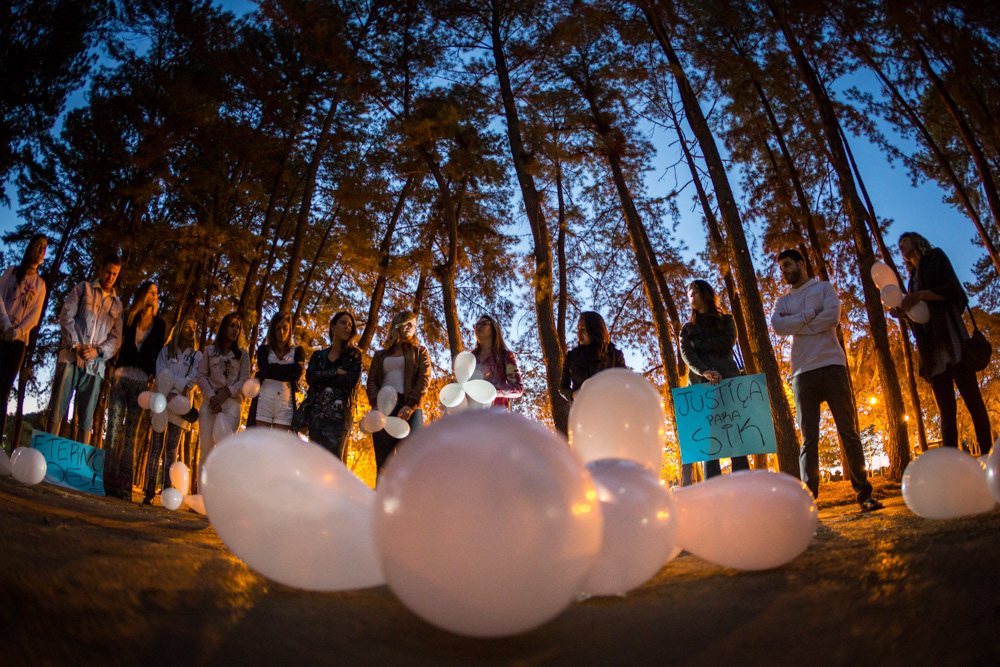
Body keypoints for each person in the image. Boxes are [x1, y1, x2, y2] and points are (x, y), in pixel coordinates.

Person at [770, 249, 883, 512]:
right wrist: (810, 316)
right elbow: (778, 326)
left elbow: (832, 317)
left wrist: (797, 325)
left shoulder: (824, 288)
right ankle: (808, 501)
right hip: (801, 372)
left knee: (849, 433)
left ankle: (864, 495)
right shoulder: (782, 302)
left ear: (801, 263)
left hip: (832, 365)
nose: (784, 271)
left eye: (787, 265)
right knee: (809, 440)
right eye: (781, 268)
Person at [895, 232, 992, 455]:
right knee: (946, 412)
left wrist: (922, 295)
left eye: (904, 241)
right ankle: (951, 467)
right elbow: (921, 317)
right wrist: (904, 313)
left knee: (974, 402)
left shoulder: (936, 257)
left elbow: (955, 291)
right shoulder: (912, 280)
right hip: (933, 351)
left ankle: (988, 457)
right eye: (899, 245)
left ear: (917, 241)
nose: (901, 246)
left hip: (953, 339)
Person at [47, 252, 123, 446]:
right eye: (108, 272)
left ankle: (79, 466)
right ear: (101, 269)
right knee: (57, 408)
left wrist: (97, 353)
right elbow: (66, 315)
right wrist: (76, 346)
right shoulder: (83, 288)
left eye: (115, 274)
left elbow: (115, 339)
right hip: (71, 357)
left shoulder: (118, 305)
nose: (110, 277)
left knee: (86, 417)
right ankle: (46, 455)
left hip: (95, 366)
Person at [103, 281, 167, 501]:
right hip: (121, 378)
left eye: (157, 293)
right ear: (142, 295)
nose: (155, 295)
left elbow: (158, 354)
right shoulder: (128, 317)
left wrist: (152, 375)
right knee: (112, 430)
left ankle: (123, 488)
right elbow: (118, 343)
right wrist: (112, 368)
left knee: (131, 435)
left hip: (141, 384)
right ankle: (106, 483)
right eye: (151, 292)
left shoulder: (160, 325)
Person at [680, 279, 750, 480]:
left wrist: (699, 345)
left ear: (705, 294)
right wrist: (705, 371)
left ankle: (744, 493)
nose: (690, 296)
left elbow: (728, 341)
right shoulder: (687, 329)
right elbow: (687, 354)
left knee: (737, 441)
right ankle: (714, 499)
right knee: (708, 447)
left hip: (729, 385)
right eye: (688, 293)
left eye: (694, 292)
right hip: (701, 389)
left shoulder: (727, 320)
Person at [141, 317, 202, 505]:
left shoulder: (197, 356)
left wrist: (174, 392)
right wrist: (167, 390)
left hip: (180, 404)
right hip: (161, 401)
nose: (191, 330)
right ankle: (150, 488)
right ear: (179, 330)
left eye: (194, 327)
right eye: (187, 326)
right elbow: (161, 373)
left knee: (171, 449)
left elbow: (192, 380)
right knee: (155, 445)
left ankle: (167, 489)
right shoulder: (166, 351)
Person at [366, 311, 431, 473]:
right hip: (382, 409)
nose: (411, 327)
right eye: (408, 322)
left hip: (410, 409)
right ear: (398, 324)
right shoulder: (380, 355)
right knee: (384, 464)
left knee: (411, 462)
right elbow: (372, 382)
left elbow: (424, 380)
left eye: (414, 325)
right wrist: (375, 404)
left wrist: (410, 404)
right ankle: (383, 497)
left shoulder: (420, 352)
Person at [0, 234, 47, 447]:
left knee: (3, 390)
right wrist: (5, 325)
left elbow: (33, 317)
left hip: (17, 343)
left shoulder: (40, 284)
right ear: (30, 248)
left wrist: (16, 332)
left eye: (45, 248)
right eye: (38, 245)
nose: (41, 250)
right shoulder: (11, 272)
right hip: (1, 331)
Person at [304, 312, 362, 459]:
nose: (347, 327)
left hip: (339, 419)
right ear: (332, 326)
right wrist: (335, 372)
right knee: (314, 464)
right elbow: (310, 378)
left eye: (350, 325)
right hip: (316, 417)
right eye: (343, 323)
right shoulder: (318, 355)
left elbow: (350, 380)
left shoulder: (354, 356)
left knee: (333, 466)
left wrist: (322, 377)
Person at [196, 313, 250, 459]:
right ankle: (201, 482)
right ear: (224, 328)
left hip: (232, 405)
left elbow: (245, 380)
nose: (235, 330)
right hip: (210, 403)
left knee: (225, 451)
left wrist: (227, 392)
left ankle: (221, 482)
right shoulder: (209, 351)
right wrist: (212, 397)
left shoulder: (243, 355)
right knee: (205, 452)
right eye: (231, 325)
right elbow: (201, 376)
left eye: (238, 327)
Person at [248, 311, 304, 431]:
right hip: (264, 401)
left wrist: (270, 370)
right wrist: (291, 369)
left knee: (280, 444)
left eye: (285, 328)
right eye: (278, 328)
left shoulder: (298, 351)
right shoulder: (264, 350)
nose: (281, 332)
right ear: (273, 330)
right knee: (261, 442)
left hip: (285, 403)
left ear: (290, 329)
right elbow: (264, 369)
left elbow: (296, 375)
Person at [560, 311, 627, 403]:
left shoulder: (615, 355)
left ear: (594, 329)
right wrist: (573, 395)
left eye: (583, 329)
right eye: (578, 328)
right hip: (582, 410)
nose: (578, 333)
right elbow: (562, 388)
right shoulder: (571, 356)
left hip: (609, 410)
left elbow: (625, 382)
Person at [468, 314, 523, 410]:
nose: (479, 326)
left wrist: (491, 390)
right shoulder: (469, 358)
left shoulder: (505, 356)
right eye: (476, 325)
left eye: (484, 323)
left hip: (498, 418)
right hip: (472, 418)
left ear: (493, 330)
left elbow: (518, 389)